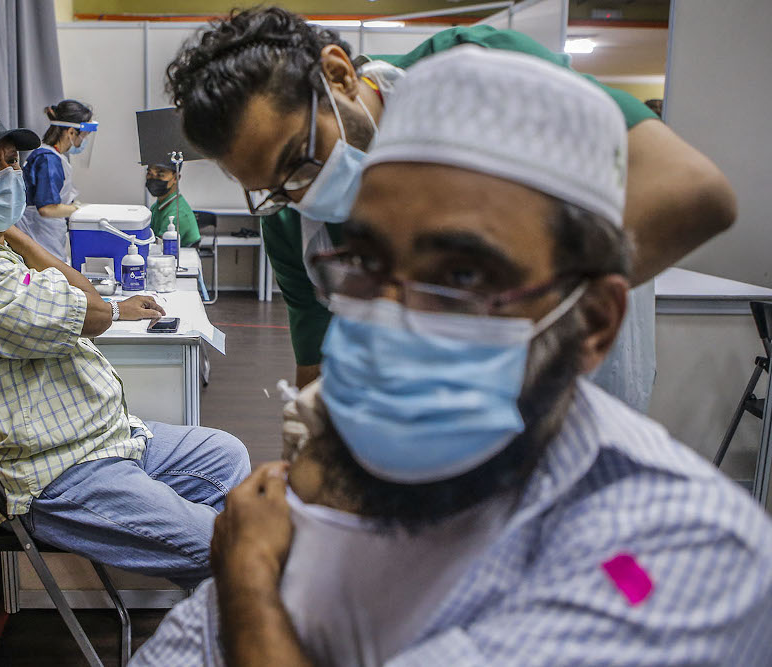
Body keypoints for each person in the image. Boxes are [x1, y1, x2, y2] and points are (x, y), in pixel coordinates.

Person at [133, 48, 772, 666]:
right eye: (365, 262)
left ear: (594, 320)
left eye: (462, 276)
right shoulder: (346, 477)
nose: (391, 321)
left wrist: (248, 575)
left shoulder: (673, 557)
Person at [165, 7, 737, 411]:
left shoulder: (476, 72)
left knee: (597, 540)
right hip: (449, 433)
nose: (299, 193)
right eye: (272, 188)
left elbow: (692, 191)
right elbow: (318, 362)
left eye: (299, 158)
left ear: (337, 74)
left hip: (573, 375)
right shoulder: (290, 218)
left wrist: (491, 338)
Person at [0, 108, 251, 585]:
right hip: (53, 468)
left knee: (226, 456)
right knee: (224, 546)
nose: (9, 176)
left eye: (11, 162)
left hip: (103, 437)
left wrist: (8, 234)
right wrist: (17, 234)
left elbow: (82, 303)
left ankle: (213, 581)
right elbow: (93, 309)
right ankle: (219, 575)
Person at [17, 99, 98, 262]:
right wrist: (79, 210)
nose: (84, 141)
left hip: (46, 234)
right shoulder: (48, 160)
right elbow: (47, 209)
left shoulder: (50, 156)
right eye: (84, 135)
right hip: (40, 235)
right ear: (71, 132)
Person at [147, 163, 201, 247]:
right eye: (149, 173)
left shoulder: (177, 213)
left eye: (160, 175)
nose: (153, 179)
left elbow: (160, 248)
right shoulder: (157, 206)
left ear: (176, 178)